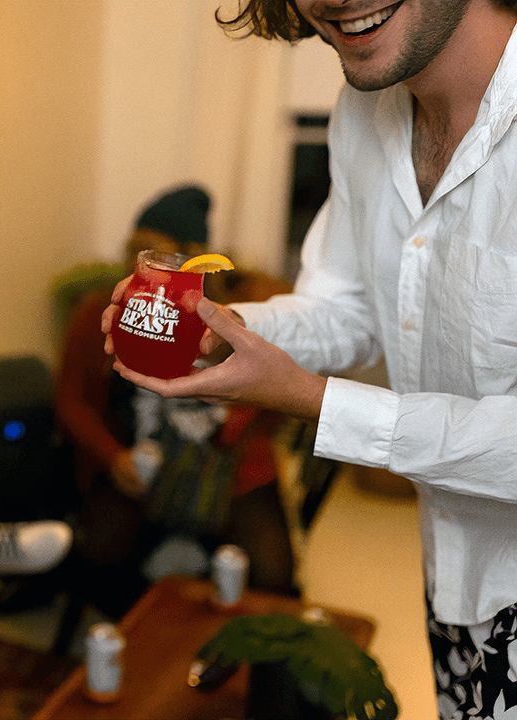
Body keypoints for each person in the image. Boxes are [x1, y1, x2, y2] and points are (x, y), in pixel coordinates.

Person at [104, 2, 517, 716]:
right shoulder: (366, 113)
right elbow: (350, 307)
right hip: (455, 571)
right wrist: (221, 327)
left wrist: (321, 404)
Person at [56, 186, 297, 621]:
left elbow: (285, 382)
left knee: (274, 575)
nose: (142, 265)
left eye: (158, 255)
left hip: (233, 471)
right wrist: (113, 459)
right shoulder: (103, 309)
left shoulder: (234, 311)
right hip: (137, 462)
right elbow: (71, 401)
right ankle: (153, 639)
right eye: (135, 251)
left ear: (192, 258)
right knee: (100, 560)